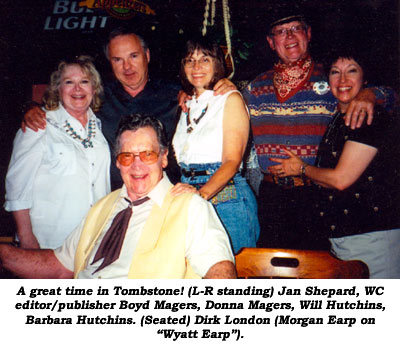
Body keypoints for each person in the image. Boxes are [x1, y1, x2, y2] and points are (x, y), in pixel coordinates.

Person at [0, 114, 236, 279]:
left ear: (164, 158)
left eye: (147, 154)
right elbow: (59, 266)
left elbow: (219, 269)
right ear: (117, 163)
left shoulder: (190, 207)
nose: (137, 165)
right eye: (127, 156)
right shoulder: (102, 207)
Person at [242, 5, 395, 249]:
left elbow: (393, 98)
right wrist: (188, 94)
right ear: (271, 42)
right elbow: (225, 107)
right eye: (281, 31)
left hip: (316, 196)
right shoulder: (254, 87)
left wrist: (371, 94)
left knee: (319, 272)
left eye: (296, 29)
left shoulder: (335, 78)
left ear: (308, 34)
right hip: (271, 197)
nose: (290, 36)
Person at [23, 27, 235, 189]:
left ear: (147, 56)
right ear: (110, 62)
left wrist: (222, 84)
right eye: (118, 59)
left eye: (133, 56)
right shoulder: (95, 97)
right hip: (113, 200)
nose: (127, 67)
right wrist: (30, 107)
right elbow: (57, 106)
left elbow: (209, 97)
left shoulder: (175, 94)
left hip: (166, 201)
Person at [269, 45, 400, 278]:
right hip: (343, 238)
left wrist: (301, 168)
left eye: (351, 71)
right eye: (334, 72)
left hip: (372, 238)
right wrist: (307, 180)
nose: (342, 80)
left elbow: (341, 179)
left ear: (365, 77)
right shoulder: (338, 118)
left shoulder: (370, 116)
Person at [4, 56, 110, 249]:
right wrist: (27, 238)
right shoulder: (39, 125)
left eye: (84, 82)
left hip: (94, 241)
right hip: (50, 242)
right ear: (58, 89)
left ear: (94, 89)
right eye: (69, 82)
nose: (77, 89)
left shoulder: (100, 128)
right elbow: (16, 186)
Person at [171, 38, 260, 254]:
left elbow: (232, 161)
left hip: (226, 198)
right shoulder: (187, 103)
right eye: (190, 60)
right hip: (188, 189)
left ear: (217, 64)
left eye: (205, 59)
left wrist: (199, 197)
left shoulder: (230, 99)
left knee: (234, 275)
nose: (196, 66)